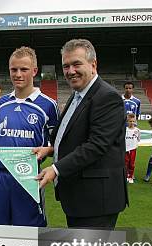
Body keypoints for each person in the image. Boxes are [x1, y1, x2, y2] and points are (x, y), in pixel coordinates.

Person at [36, 39, 128, 228]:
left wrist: (55, 169)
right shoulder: (79, 94)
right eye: (66, 66)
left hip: (96, 201)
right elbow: (76, 137)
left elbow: (96, 145)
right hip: (80, 198)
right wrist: (51, 149)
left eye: (76, 64)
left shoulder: (106, 97)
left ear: (93, 65)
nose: (70, 71)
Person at [0, 47, 58, 227]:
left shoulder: (48, 105)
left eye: (24, 69)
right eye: (14, 69)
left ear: (34, 71)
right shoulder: (2, 103)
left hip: (28, 178)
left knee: (29, 233)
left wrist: (48, 150)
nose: (18, 74)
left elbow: (59, 145)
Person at [124, 113, 140, 183]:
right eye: (130, 121)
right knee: (126, 163)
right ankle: (126, 176)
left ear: (135, 121)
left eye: (133, 121)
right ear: (127, 121)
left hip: (133, 149)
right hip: (125, 149)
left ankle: (131, 176)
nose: (132, 123)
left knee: (132, 164)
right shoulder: (125, 129)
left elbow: (138, 139)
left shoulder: (137, 130)